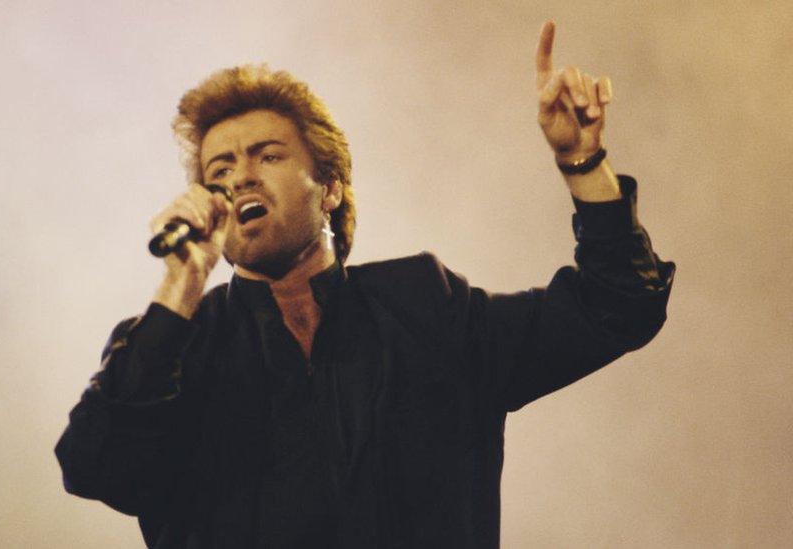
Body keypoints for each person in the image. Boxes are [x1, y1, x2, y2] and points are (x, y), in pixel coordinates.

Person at [55, 21, 675, 548]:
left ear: (330, 188)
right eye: (220, 169)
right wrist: (182, 285)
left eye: (267, 156)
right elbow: (93, 467)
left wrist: (583, 162)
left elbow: (619, 306)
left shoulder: (429, 306)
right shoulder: (172, 347)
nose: (241, 177)